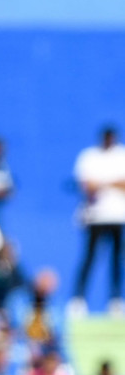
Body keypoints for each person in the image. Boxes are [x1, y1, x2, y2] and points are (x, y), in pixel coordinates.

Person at [71, 125, 125, 316]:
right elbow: (86, 185)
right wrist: (112, 182)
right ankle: (78, 299)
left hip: (118, 216)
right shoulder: (89, 156)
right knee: (89, 258)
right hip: (95, 216)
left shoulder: (122, 155)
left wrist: (102, 182)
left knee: (117, 260)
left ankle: (115, 300)